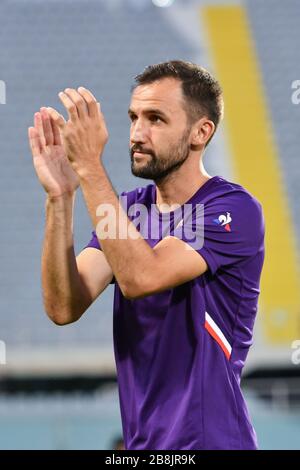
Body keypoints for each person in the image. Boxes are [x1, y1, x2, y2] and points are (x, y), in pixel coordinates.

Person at [28, 60, 265, 450]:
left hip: (210, 442)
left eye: (155, 119)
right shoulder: (129, 211)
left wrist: (89, 166)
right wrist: (60, 198)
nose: (137, 133)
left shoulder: (233, 209)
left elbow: (141, 278)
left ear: (200, 132)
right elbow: (62, 306)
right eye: (133, 117)